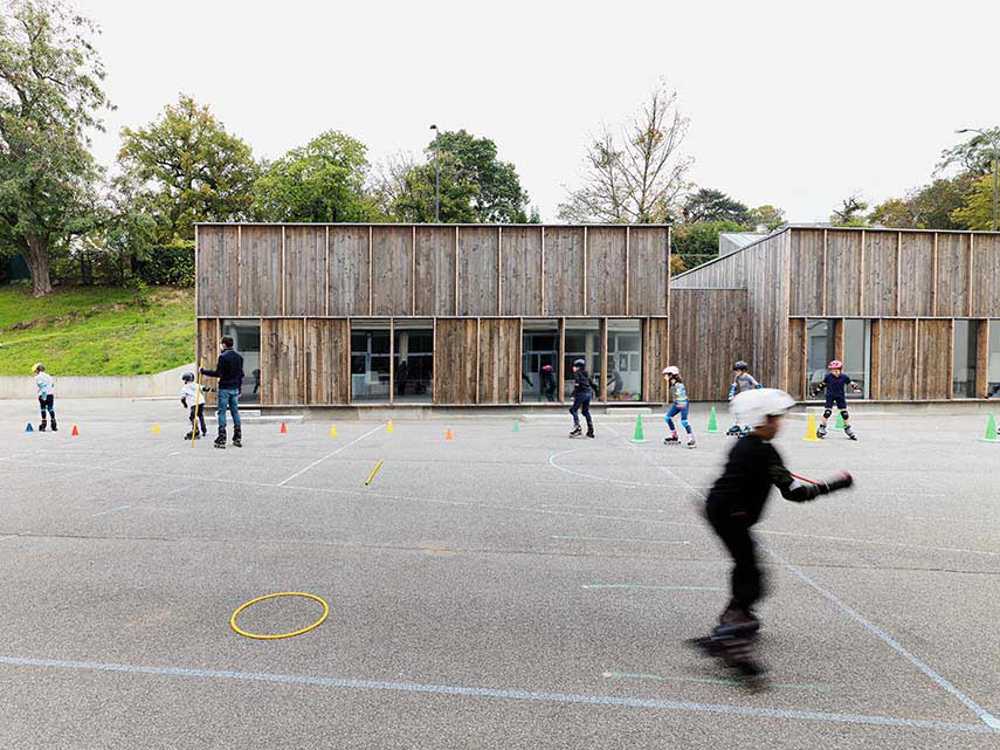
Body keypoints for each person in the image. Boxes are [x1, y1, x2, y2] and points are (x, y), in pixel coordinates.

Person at [690, 388, 853, 677]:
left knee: (745, 567)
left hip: (719, 510)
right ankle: (732, 633)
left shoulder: (744, 446)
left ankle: (736, 619)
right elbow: (796, 494)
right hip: (731, 515)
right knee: (752, 575)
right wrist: (835, 484)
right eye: (776, 418)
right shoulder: (764, 452)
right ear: (761, 420)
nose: (781, 423)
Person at [200, 336, 245, 449]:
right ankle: (237, 436)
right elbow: (241, 375)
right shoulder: (239, 357)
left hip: (225, 388)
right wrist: (239, 388)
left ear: (224, 344)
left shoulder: (222, 357)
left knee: (222, 412)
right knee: (235, 412)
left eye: (221, 343)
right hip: (235, 388)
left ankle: (222, 437)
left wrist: (203, 371)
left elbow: (218, 373)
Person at [811, 359, 861, 440]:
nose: (833, 372)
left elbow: (851, 383)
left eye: (835, 371)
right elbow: (822, 385)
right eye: (832, 371)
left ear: (839, 370)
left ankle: (847, 428)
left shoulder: (844, 377)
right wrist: (815, 393)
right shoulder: (828, 377)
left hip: (840, 396)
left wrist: (856, 388)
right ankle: (822, 427)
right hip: (830, 396)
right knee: (827, 412)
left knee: (844, 414)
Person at [726, 360, 762, 437]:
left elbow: (757, 384)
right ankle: (738, 425)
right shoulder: (737, 377)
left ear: (743, 370)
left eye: (738, 370)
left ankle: (748, 426)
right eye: (735, 370)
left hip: (750, 396)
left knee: (748, 412)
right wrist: (731, 393)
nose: (736, 372)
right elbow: (734, 386)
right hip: (743, 396)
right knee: (738, 410)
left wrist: (760, 391)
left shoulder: (748, 377)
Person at [662, 365, 695, 448]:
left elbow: (681, 397)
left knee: (684, 421)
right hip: (677, 403)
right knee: (667, 418)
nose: (665, 377)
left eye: (666, 375)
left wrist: (679, 406)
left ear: (671, 375)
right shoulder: (673, 384)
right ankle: (674, 436)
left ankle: (691, 439)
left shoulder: (679, 385)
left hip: (683, 403)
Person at [568, 358, 597, 438]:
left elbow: (577, 385)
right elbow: (593, 384)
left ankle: (578, 428)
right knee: (585, 411)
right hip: (588, 394)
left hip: (581, 394)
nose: (573, 368)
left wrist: (573, 394)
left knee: (573, 410)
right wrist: (596, 393)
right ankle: (590, 430)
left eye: (574, 366)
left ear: (578, 367)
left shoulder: (577, 373)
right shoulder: (586, 374)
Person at [180, 372, 208, 441]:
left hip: (194, 403)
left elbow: (182, 398)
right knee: (200, 415)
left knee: (192, 417)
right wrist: (208, 389)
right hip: (201, 402)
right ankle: (204, 430)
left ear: (185, 380)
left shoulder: (184, 388)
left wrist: (185, 404)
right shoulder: (196, 385)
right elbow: (204, 388)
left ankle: (196, 430)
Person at [32, 363, 57, 432]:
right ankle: (54, 424)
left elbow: (41, 386)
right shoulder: (49, 376)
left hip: (43, 394)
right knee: (50, 408)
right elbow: (52, 385)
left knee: (43, 409)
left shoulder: (37, 377)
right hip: (50, 394)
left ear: (37, 370)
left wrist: (43, 394)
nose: (35, 372)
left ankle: (43, 425)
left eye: (35, 371)